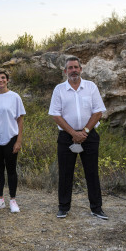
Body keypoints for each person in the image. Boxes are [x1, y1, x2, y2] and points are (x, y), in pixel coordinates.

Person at [49, 56, 108, 220]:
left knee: (92, 173)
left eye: (76, 67)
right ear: (65, 71)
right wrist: (73, 134)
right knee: (65, 173)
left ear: (81, 69)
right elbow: (56, 115)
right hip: (66, 136)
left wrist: (85, 131)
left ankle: (96, 208)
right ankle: (63, 207)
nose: (73, 70)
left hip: (89, 135)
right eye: (70, 68)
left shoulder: (91, 87)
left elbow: (98, 112)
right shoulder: (59, 89)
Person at [0, 69, 26, 213]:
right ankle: (0, 200)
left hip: (10, 138)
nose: (0, 80)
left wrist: (18, 141)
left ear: (7, 80)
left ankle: (13, 201)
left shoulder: (15, 97)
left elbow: (20, 120)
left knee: (11, 170)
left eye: (3, 77)